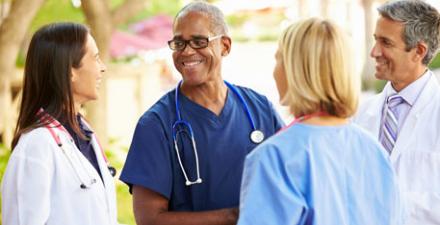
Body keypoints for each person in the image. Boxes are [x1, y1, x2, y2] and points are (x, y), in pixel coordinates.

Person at [119, 1, 284, 225]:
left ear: (225, 46)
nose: (187, 52)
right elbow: (150, 220)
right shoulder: (156, 124)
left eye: (199, 41)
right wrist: (233, 217)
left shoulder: (260, 109)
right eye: (179, 43)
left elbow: (288, 183)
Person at [237, 18, 402, 225]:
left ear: (295, 70)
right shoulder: (374, 150)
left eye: (278, 59)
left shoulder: (275, 157)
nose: (274, 71)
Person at [1, 22, 118, 225]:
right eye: (96, 58)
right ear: (69, 70)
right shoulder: (37, 145)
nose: (103, 67)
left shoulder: (84, 134)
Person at [353, 1, 440, 224]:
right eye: (375, 40)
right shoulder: (362, 114)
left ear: (418, 51)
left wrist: (381, 203)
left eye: (386, 43)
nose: (374, 52)